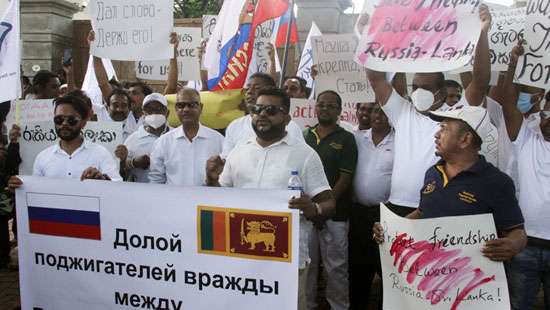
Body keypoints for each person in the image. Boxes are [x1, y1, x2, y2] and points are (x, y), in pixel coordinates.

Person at [205, 87, 336, 310]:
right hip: (241, 255)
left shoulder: (304, 154)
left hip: (286, 260)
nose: (262, 115)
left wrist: (313, 208)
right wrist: (211, 180)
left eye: (271, 110)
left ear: (287, 117)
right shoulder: (238, 151)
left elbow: (329, 203)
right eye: (257, 109)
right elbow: (220, 199)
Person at [366, 5, 492, 216]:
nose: (418, 92)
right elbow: (376, 77)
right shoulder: (403, 113)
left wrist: (481, 33)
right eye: (415, 87)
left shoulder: (457, 115)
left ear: (441, 92)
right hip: (397, 205)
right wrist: (373, 34)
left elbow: (480, 82)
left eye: (426, 88)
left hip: (438, 206)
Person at [373, 105, 527, 264]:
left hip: (473, 279)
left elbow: (517, 231)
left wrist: (513, 244)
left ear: (465, 139)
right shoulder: (432, 173)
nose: (436, 135)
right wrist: (392, 229)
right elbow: (422, 211)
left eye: (444, 129)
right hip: (431, 273)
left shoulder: (497, 183)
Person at [499, 42, 550, 309]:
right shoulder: (527, 138)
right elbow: (509, 103)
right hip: (525, 245)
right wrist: (513, 64)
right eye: (546, 110)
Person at [304, 90, 357, 310]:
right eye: (321, 104)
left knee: (336, 267)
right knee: (307, 265)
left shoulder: (346, 138)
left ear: (339, 110)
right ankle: (306, 304)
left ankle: (339, 306)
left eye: (330, 105)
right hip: (306, 215)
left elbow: (345, 178)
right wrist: (312, 209)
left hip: (335, 215)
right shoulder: (304, 135)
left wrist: (324, 206)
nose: (324, 108)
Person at [7, 95, 122, 188]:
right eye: (59, 119)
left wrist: (102, 179)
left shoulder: (101, 153)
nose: (64, 124)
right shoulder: (42, 157)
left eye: (71, 120)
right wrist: (19, 188)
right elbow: (35, 192)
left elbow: (118, 186)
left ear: (83, 123)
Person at [349, 102, 394, 310]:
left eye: (385, 112)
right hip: (357, 213)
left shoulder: (401, 141)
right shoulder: (357, 138)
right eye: (376, 111)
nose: (379, 115)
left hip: (385, 214)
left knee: (385, 268)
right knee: (358, 267)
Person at [148, 88, 223, 186]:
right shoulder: (163, 142)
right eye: (181, 105)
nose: (186, 109)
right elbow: (156, 180)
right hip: (173, 200)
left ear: (201, 107)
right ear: (176, 109)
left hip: (207, 200)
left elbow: (225, 178)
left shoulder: (218, 140)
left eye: (191, 105)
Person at [222, 73, 304, 157]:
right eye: (247, 88)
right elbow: (226, 158)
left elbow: (299, 157)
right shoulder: (235, 126)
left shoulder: (291, 127)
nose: (250, 92)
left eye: (256, 88)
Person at [116, 93, 170, 182]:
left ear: (167, 112)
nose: (154, 113)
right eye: (149, 109)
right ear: (143, 113)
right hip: (141, 192)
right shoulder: (132, 139)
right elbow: (121, 171)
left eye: (159, 109)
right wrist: (133, 163)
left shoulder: (176, 136)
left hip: (172, 191)